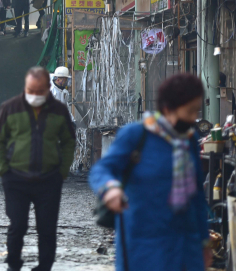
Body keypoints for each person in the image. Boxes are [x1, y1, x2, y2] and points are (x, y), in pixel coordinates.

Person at [89, 73, 212, 271]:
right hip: (143, 242)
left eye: (196, 111)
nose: (192, 118)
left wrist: (204, 243)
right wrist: (110, 188)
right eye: (189, 111)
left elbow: (196, 195)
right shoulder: (137, 135)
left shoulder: (187, 140)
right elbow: (102, 169)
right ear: (168, 107)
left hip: (185, 245)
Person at [0, 66, 76, 271]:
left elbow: (68, 141)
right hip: (16, 180)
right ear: (26, 87)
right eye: (33, 90)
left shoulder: (58, 110)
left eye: (41, 91)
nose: (37, 95)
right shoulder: (10, 108)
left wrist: (62, 171)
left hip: (49, 180)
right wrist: (4, 170)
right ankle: (13, 265)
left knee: (47, 228)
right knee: (18, 225)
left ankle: (44, 266)